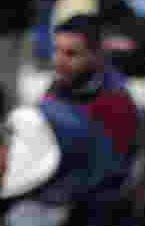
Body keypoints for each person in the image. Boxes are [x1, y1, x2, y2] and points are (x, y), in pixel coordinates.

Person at [44, 14, 139, 165]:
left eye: (71, 54)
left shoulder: (117, 103)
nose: (58, 61)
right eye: (57, 50)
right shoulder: (56, 87)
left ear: (96, 55)